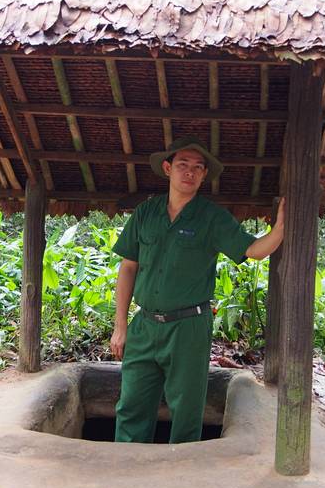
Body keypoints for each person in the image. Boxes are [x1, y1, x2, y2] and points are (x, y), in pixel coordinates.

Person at [110, 136, 285, 444]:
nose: (189, 172)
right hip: (144, 326)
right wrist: (120, 326)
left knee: (187, 410)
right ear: (168, 168)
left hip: (189, 328)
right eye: (182, 165)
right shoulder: (146, 213)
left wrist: (282, 228)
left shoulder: (211, 217)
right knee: (131, 405)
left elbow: (254, 250)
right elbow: (127, 268)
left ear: (204, 175)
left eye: (197, 168)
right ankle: (127, 471)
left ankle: (183, 478)